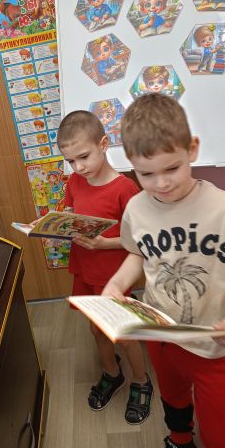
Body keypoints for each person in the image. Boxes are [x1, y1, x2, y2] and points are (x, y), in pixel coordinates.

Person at [103, 94, 225, 448]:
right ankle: (180, 442)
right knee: (173, 399)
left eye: (172, 168)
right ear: (131, 165)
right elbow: (137, 254)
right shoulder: (136, 208)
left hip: (215, 346)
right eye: (146, 174)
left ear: (192, 149)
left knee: (220, 432)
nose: (161, 183)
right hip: (160, 336)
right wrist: (116, 284)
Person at [57, 110, 153, 423]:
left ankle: (141, 380)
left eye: (83, 157)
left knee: (123, 333)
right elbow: (70, 212)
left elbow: (140, 241)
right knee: (96, 328)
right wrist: (55, 225)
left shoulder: (125, 189)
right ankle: (112, 373)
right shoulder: (75, 181)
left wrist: (104, 244)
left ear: (103, 144)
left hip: (113, 274)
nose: (78, 167)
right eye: (71, 161)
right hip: (86, 269)